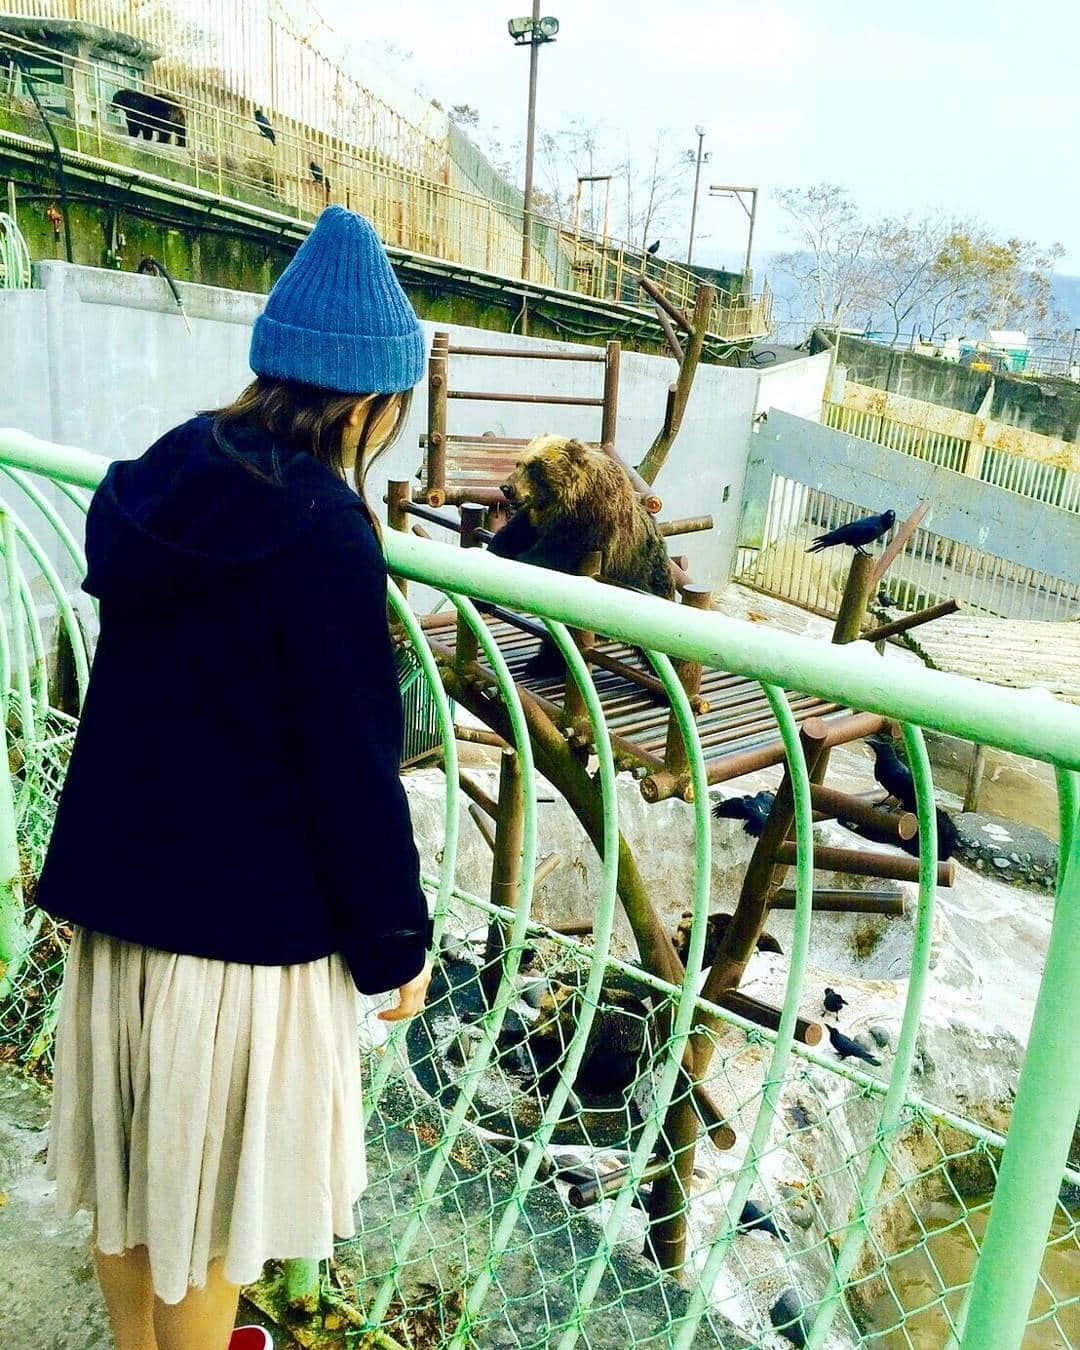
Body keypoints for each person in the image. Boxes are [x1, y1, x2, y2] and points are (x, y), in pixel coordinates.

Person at [35, 206, 434, 1350]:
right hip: (239, 947)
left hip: (121, 917)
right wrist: (394, 947)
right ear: (367, 402)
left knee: (128, 1187)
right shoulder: (323, 530)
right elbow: (352, 768)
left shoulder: (164, 473)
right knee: (206, 1224)